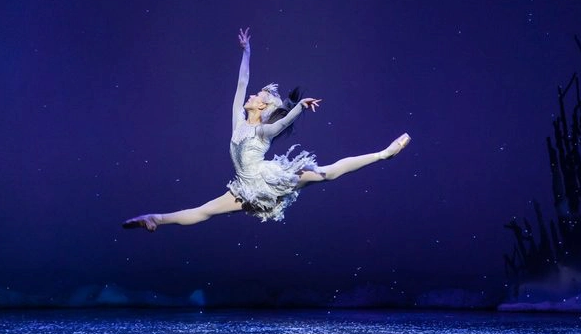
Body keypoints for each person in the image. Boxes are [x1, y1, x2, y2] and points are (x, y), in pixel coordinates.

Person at [122, 28, 410, 231]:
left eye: (256, 96)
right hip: (246, 188)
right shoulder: (238, 120)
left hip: (270, 181)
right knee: (204, 211)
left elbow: (282, 123)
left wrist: (299, 107)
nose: (250, 96)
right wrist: (247, 51)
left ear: (261, 106)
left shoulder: (262, 132)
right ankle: (155, 218)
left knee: (327, 173)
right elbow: (242, 82)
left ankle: (384, 154)